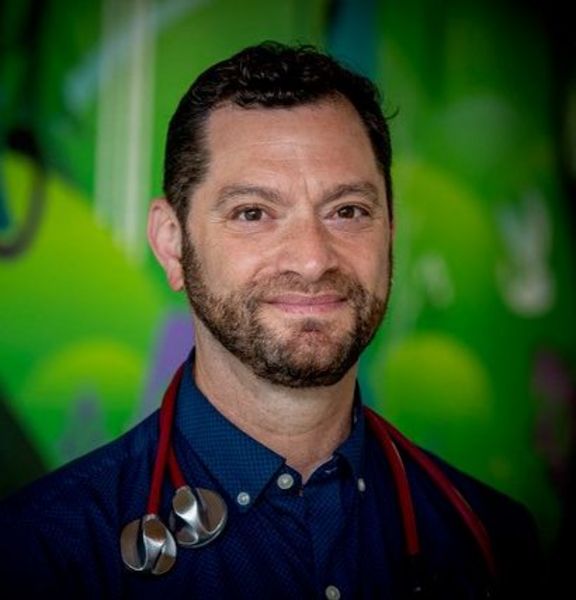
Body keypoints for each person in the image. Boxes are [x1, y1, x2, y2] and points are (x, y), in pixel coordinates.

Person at [0, 41, 542, 598]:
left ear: (390, 232)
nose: (312, 259)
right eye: (253, 213)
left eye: (348, 211)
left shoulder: (493, 542)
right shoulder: (43, 554)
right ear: (171, 243)